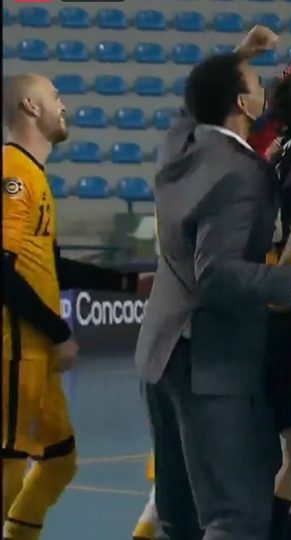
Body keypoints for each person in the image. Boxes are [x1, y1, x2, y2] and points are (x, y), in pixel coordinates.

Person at [135, 26, 291, 539]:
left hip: (160, 354)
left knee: (180, 515)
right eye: (256, 81)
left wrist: (239, 55)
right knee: (237, 516)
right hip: (211, 362)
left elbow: (196, 107)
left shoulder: (178, 147)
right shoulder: (243, 174)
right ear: (241, 102)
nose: (266, 91)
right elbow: (220, 274)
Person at [2, 73, 152, 540]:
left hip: (36, 355)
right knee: (8, 469)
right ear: (30, 106)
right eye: (56, 97)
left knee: (59, 461)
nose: (64, 106)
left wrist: (128, 282)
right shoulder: (13, 174)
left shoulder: (36, 176)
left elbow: (50, 265)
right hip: (15, 350)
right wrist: (58, 331)